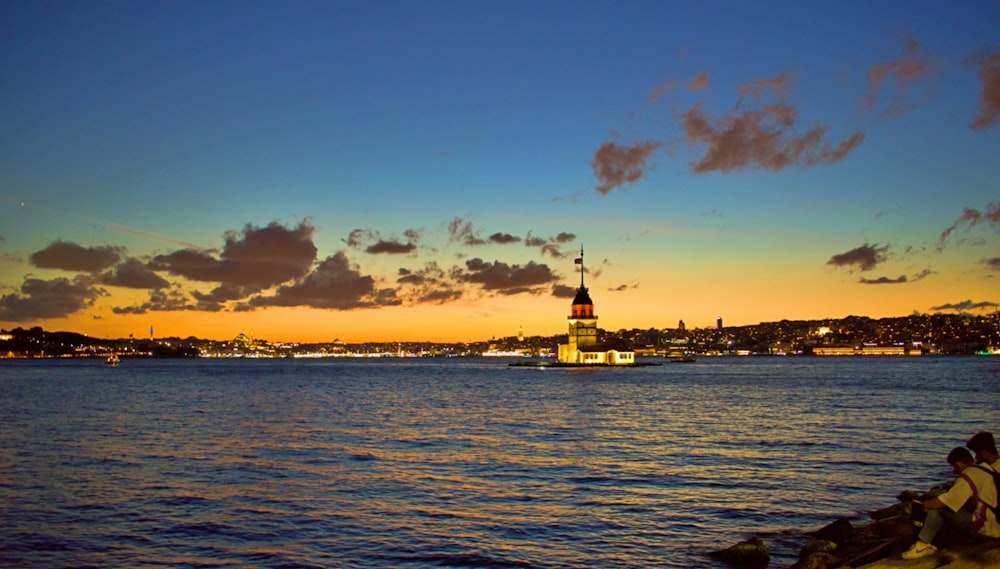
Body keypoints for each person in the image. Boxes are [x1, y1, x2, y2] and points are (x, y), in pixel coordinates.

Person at [902, 447, 1000, 560]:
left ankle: (922, 545)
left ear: (958, 464)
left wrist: (925, 505)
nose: (955, 471)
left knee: (938, 510)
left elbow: (947, 501)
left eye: (954, 467)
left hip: (987, 530)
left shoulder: (969, 474)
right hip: (997, 525)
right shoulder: (987, 470)